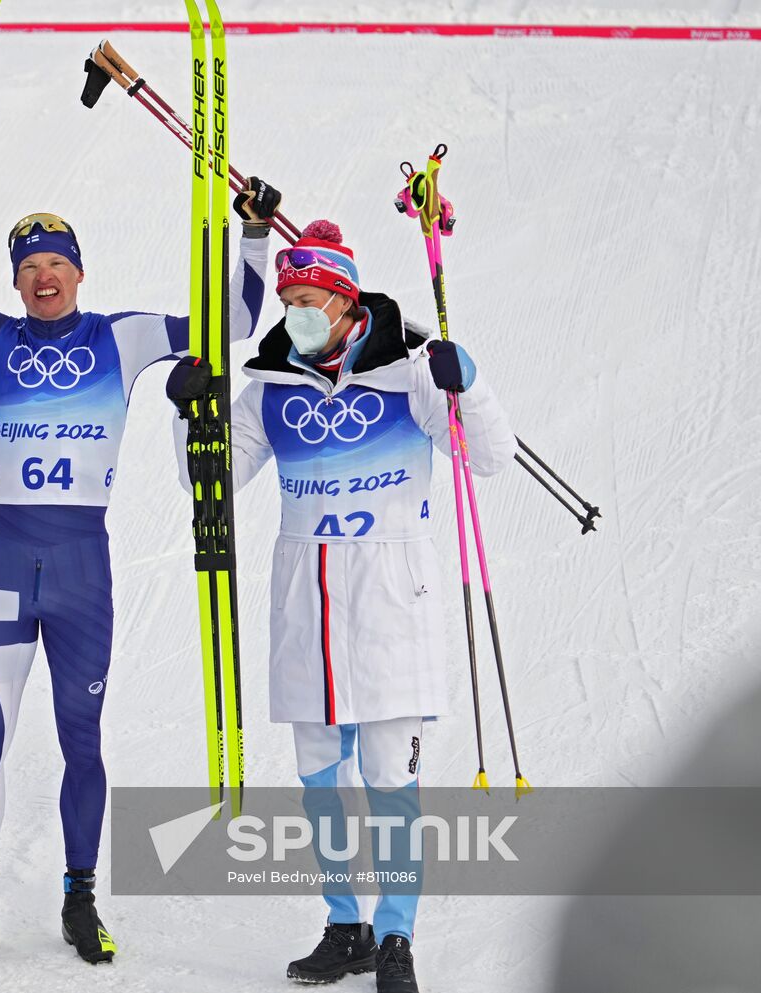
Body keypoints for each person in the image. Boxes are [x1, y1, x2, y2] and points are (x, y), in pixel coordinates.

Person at [0, 180, 277, 967]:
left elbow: (234, 322)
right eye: (29, 264)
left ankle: (79, 898)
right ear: (14, 279)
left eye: (56, 263)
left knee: (83, 739)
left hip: (82, 573)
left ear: (79, 272)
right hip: (7, 563)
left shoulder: (124, 336)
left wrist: (252, 236)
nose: (44, 276)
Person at [169, 219, 515, 992]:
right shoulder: (270, 389)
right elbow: (211, 485)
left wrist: (473, 383)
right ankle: (345, 924)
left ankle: (395, 936)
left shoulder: (412, 371)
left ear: (345, 297)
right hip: (308, 606)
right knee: (320, 778)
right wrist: (192, 418)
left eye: (307, 295)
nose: (294, 309)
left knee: (391, 776)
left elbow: (488, 457)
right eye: (286, 297)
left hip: (393, 602)